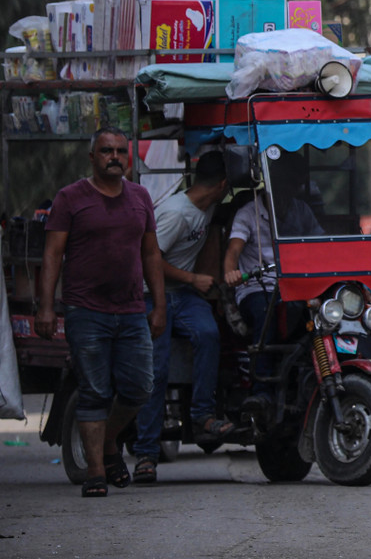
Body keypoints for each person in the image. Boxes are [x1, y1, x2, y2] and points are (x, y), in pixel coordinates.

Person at [36, 128, 165, 497]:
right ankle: (95, 471)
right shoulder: (70, 198)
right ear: (92, 157)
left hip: (131, 309)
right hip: (85, 309)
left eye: (121, 151)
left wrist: (159, 307)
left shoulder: (140, 197)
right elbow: (52, 255)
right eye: (106, 151)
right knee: (95, 391)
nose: (115, 157)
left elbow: (151, 254)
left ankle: (108, 443)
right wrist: (46, 307)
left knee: (140, 387)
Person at [131, 151, 232, 484]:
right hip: (154, 292)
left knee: (209, 334)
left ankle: (202, 414)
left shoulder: (208, 207)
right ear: (221, 185)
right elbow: (150, 261)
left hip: (184, 295)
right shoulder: (176, 214)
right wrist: (193, 279)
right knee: (156, 371)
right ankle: (146, 453)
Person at [223, 150, 322, 409]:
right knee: (266, 313)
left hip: (296, 286)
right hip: (258, 287)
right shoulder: (248, 213)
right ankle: (262, 390)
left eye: (295, 183)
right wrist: (230, 272)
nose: (289, 189)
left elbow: (320, 244)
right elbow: (233, 250)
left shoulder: (302, 210)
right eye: (286, 181)